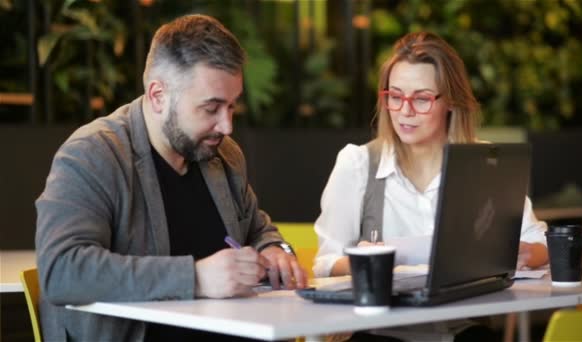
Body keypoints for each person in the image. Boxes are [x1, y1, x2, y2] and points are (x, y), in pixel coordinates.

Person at [35, 14, 307, 342]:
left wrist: (277, 250)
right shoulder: (93, 154)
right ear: (158, 96)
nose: (226, 126)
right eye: (211, 108)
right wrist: (194, 278)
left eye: (232, 107)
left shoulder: (224, 154)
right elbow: (62, 270)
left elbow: (257, 229)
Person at [313, 32, 548, 341]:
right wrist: (375, 262)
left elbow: (542, 248)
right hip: (381, 333)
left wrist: (516, 253)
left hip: (463, 331)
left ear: (450, 101)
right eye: (395, 96)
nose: (405, 111)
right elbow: (324, 265)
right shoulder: (357, 164)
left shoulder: (484, 163)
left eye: (421, 98)